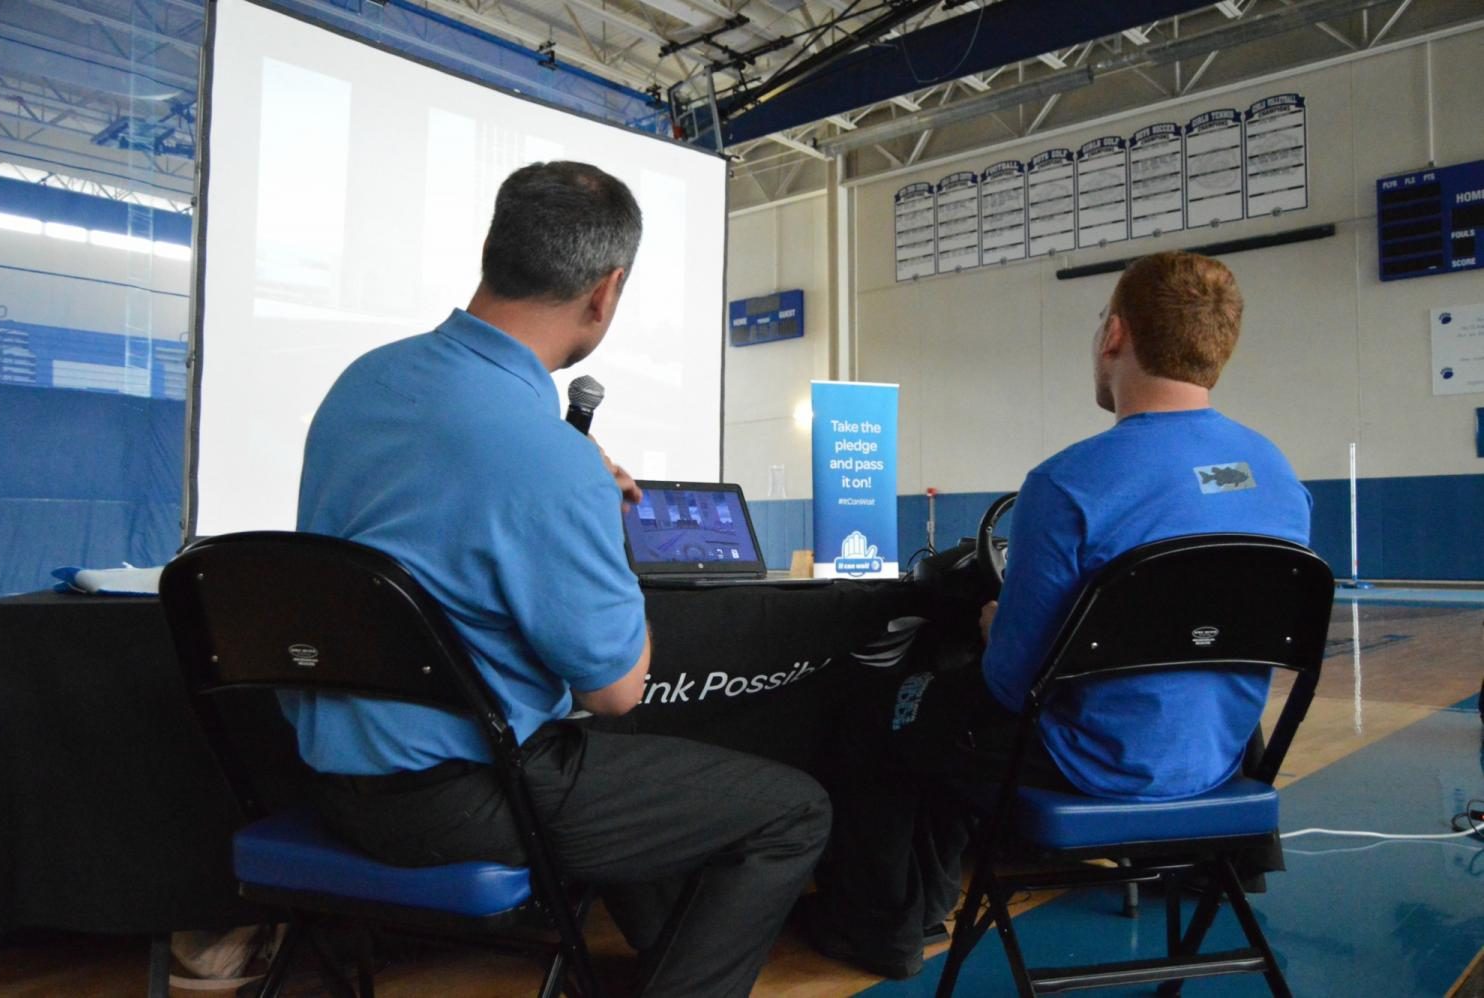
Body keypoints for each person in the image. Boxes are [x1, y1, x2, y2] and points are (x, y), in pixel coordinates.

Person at [281, 161, 831, 997]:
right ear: (606, 292)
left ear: (494, 252)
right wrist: (594, 525)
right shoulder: (553, 459)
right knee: (794, 812)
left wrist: (566, 495)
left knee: (628, 775)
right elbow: (616, 689)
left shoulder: (361, 383)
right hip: (461, 798)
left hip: (326, 778)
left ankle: (654, 960)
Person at [806, 250, 1313, 978]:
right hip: (1219, 759)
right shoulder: (1280, 478)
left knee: (883, 710)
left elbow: (1012, 685)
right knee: (946, 714)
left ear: (1114, 334)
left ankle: (879, 929)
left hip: (1088, 764)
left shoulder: (1069, 483)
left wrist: (990, 628)